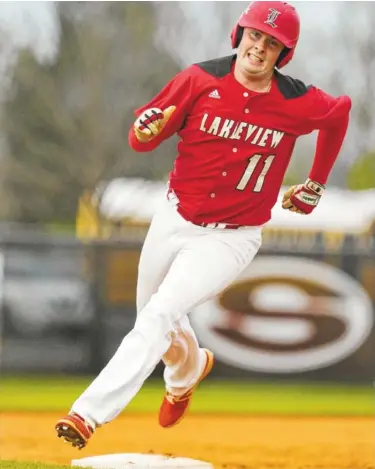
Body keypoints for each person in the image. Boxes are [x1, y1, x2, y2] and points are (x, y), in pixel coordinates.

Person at [55, 1, 351, 449]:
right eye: (255, 35)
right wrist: (144, 131)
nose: (260, 47)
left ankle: (87, 414)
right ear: (239, 35)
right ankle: (187, 371)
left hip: (230, 238)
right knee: (155, 319)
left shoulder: (295, 100)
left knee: (159, 313)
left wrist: (316, 181)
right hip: (173, 216)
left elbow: (340, 111)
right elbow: (140, 138)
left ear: (283, 53)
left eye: (273, 43)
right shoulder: (198, 79)